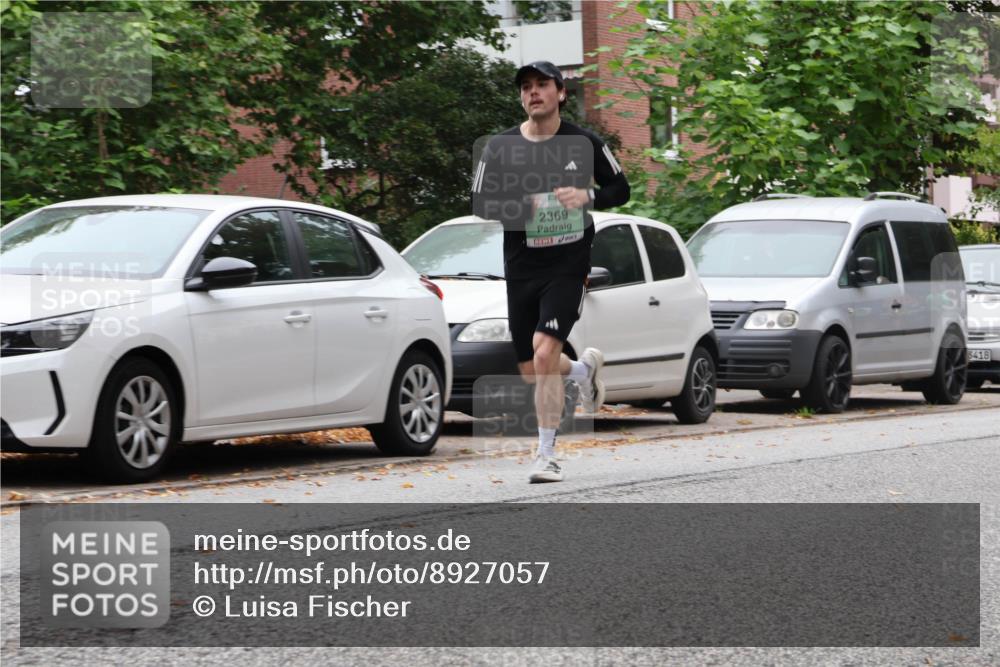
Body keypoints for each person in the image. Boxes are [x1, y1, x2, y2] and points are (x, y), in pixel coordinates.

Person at [472, 61, 630, 483]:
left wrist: (587, 194)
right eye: (526, 86)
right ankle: (581, 372)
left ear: (561, 92)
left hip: (568, 262)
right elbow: (482, 203)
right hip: (522, 265)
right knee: (532, 367)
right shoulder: (500, 147)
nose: (533, 92)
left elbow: (621, 188)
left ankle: (545, 455)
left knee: (544, 352)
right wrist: (526, 206)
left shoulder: (585, 142)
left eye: (542, 84)